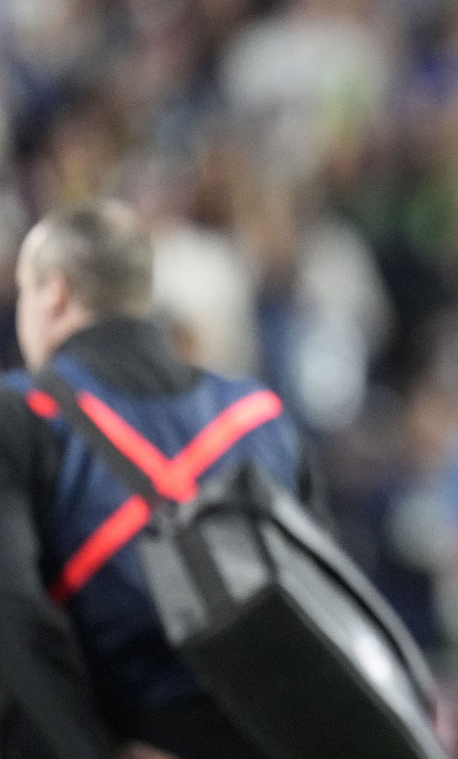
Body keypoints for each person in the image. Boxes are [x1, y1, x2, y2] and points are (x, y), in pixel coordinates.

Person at [0, 201, 316, 759]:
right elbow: (318, 611)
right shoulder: (263, 417)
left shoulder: (22, 415)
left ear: (54, 293)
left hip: (115, 729)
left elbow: (14, 623)